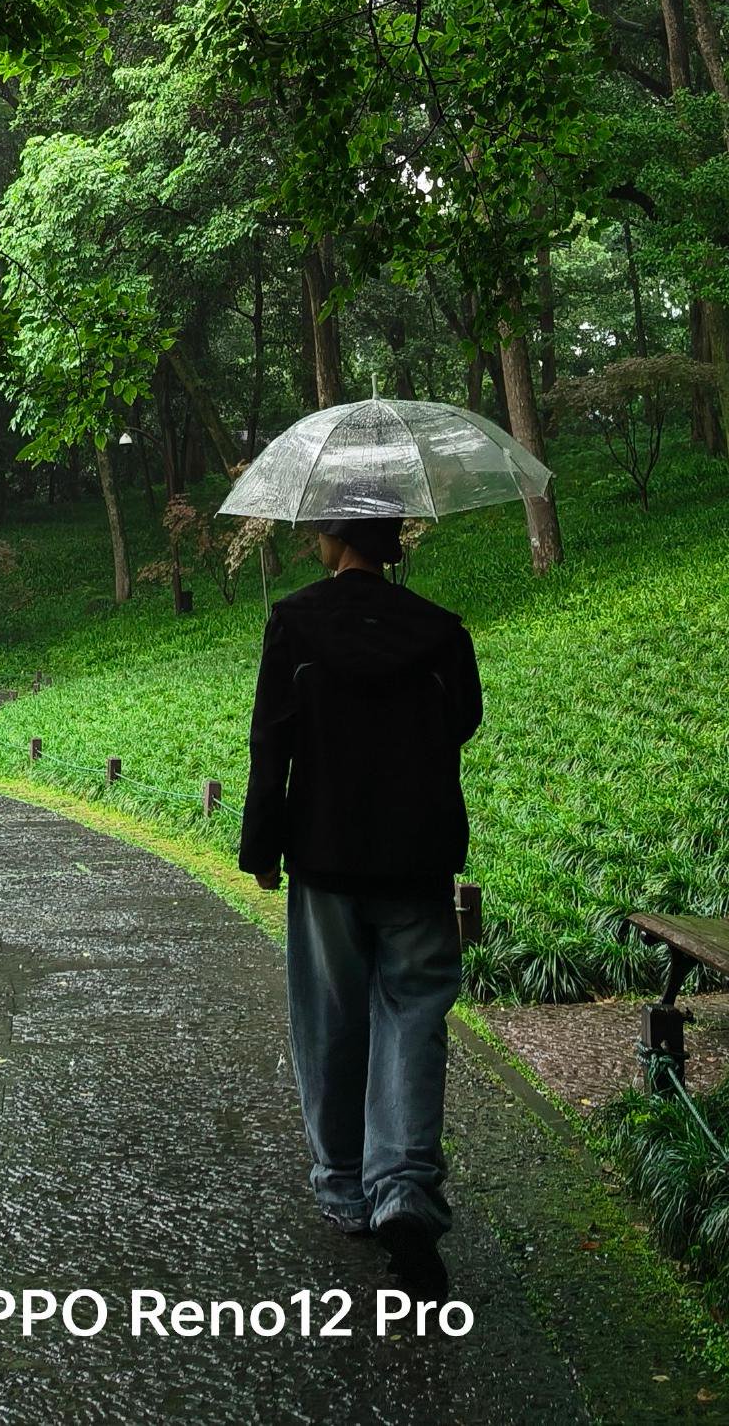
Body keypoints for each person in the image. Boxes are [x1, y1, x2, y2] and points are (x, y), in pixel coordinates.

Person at [238, 494, 484, 1304]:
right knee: (414, 1015)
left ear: (333, 536)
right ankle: (406, 1188)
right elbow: (463, 723)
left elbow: (271, 740)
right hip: (416, 860)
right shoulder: (442, 630)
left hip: (327, 853)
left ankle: (345, 1184)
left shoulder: (296, 623)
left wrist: (263, 850)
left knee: (330, 1017)